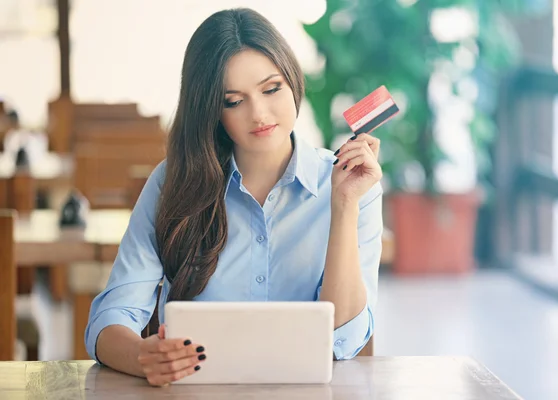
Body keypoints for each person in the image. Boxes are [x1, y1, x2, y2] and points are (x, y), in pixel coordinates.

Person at [85, 7, 383, 387]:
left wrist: (343, 206)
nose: (259, 114)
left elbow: (344, 340)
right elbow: (110, 320)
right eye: (233, 100)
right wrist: (144, 357)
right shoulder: (173, 182)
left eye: (272, 89)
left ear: (292, 80)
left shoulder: (351, 184)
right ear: (210, 109)